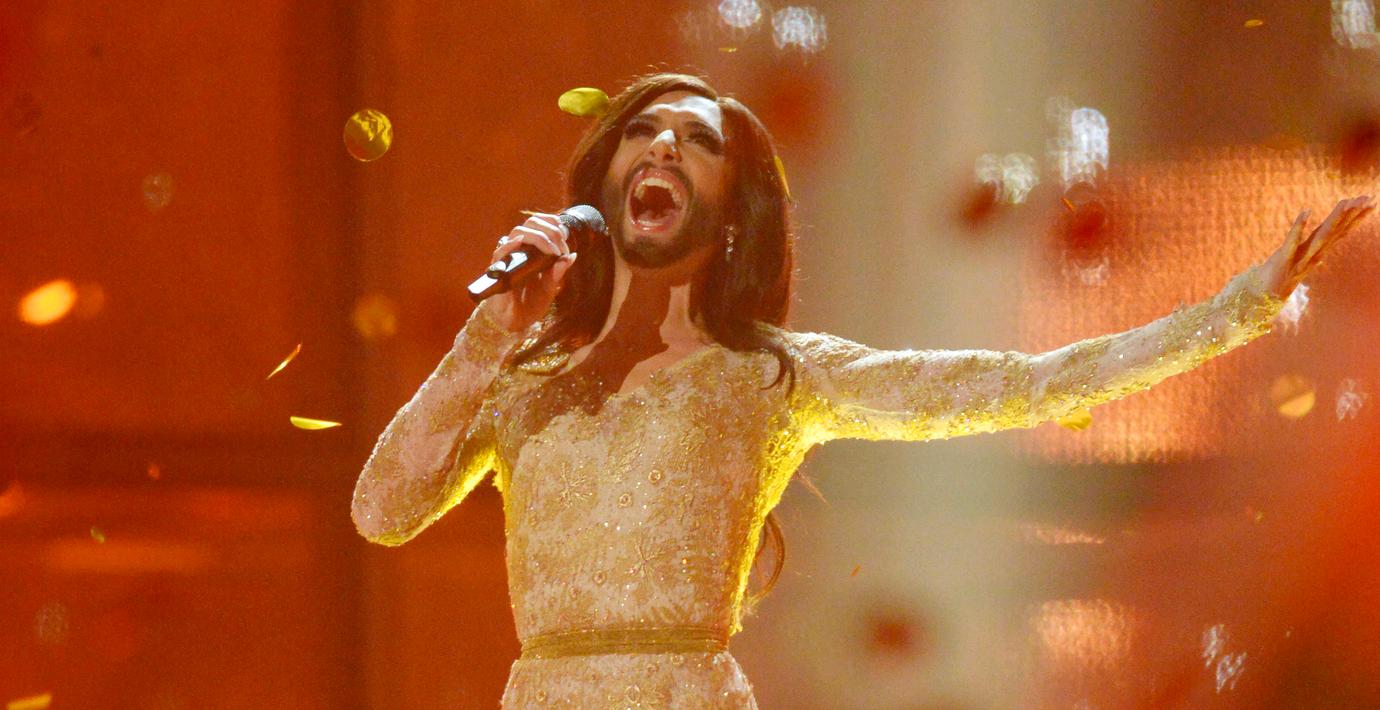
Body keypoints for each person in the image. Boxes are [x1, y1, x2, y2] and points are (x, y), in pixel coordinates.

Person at [351, 72, 1374, 708]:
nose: (663, 145)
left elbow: (1022, 385)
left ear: (733, 213)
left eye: (698, 141)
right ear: (603, 182)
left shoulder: (772, 376)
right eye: (643, 131)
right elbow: (382, 510)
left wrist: (1238, 307)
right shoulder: (524, 376)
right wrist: (488, 336)